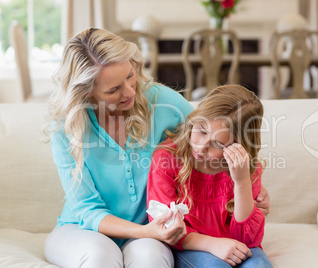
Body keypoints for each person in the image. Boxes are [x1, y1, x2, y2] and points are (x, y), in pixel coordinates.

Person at [43, 28, 270, 267]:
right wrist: (149, 232)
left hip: (151, 229)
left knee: (150, 258)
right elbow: (87, 210)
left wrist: (251, 186)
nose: (130, 91)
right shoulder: (66, 126)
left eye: (130, 76)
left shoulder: (161, 100)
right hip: (83, 230)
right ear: (86, 93)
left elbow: (213, 133)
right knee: (101, 255)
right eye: (113, 89)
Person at [147, 85, 273, 267]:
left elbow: (248, 239)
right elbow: (166, 227)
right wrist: (213, 244)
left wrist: (241, 182)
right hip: (192, 247)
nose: (202, 146)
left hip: (238, 245)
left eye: (218, 143)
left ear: (238, 146)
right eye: (202, 131)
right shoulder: (167, 159)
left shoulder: (244, 169)